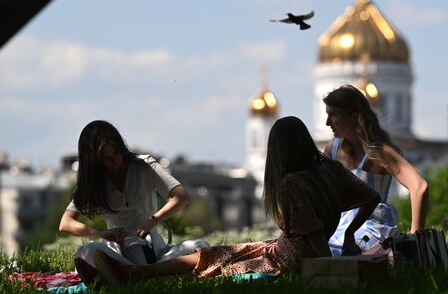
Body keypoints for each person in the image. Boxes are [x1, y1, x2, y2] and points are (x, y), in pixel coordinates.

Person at [91, 116, 381, 286]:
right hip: (283, 250)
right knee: (219, 253)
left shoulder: (292, 183)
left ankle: (137, 274)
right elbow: (371, 197)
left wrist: (326, 268)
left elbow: (314, 239)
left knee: (214, 263)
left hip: (286, 261)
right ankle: (140, 273)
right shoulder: (329, 169)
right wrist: (349, 231)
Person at [58, 120, 208, 286]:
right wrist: (99, 233)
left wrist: (154, 220)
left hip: (155, 248)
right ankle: (157, 275)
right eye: (106, 158)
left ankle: (136, 275)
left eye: (117, 152)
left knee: (201, 247)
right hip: (116, 252)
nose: (115, 160)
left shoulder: (145, 165)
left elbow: (181, 197)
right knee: (88, 251)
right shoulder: (92, 182)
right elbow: (65, 223)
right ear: (94, 162)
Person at [323, 84, 429, 256]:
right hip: (337, 227)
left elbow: (420, 187)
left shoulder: (380, 153)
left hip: (371, 228)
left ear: (354, 117)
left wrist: (415, 235)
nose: (327, 123)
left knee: (344, 257)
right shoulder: (332, 150)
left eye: (333, 115)